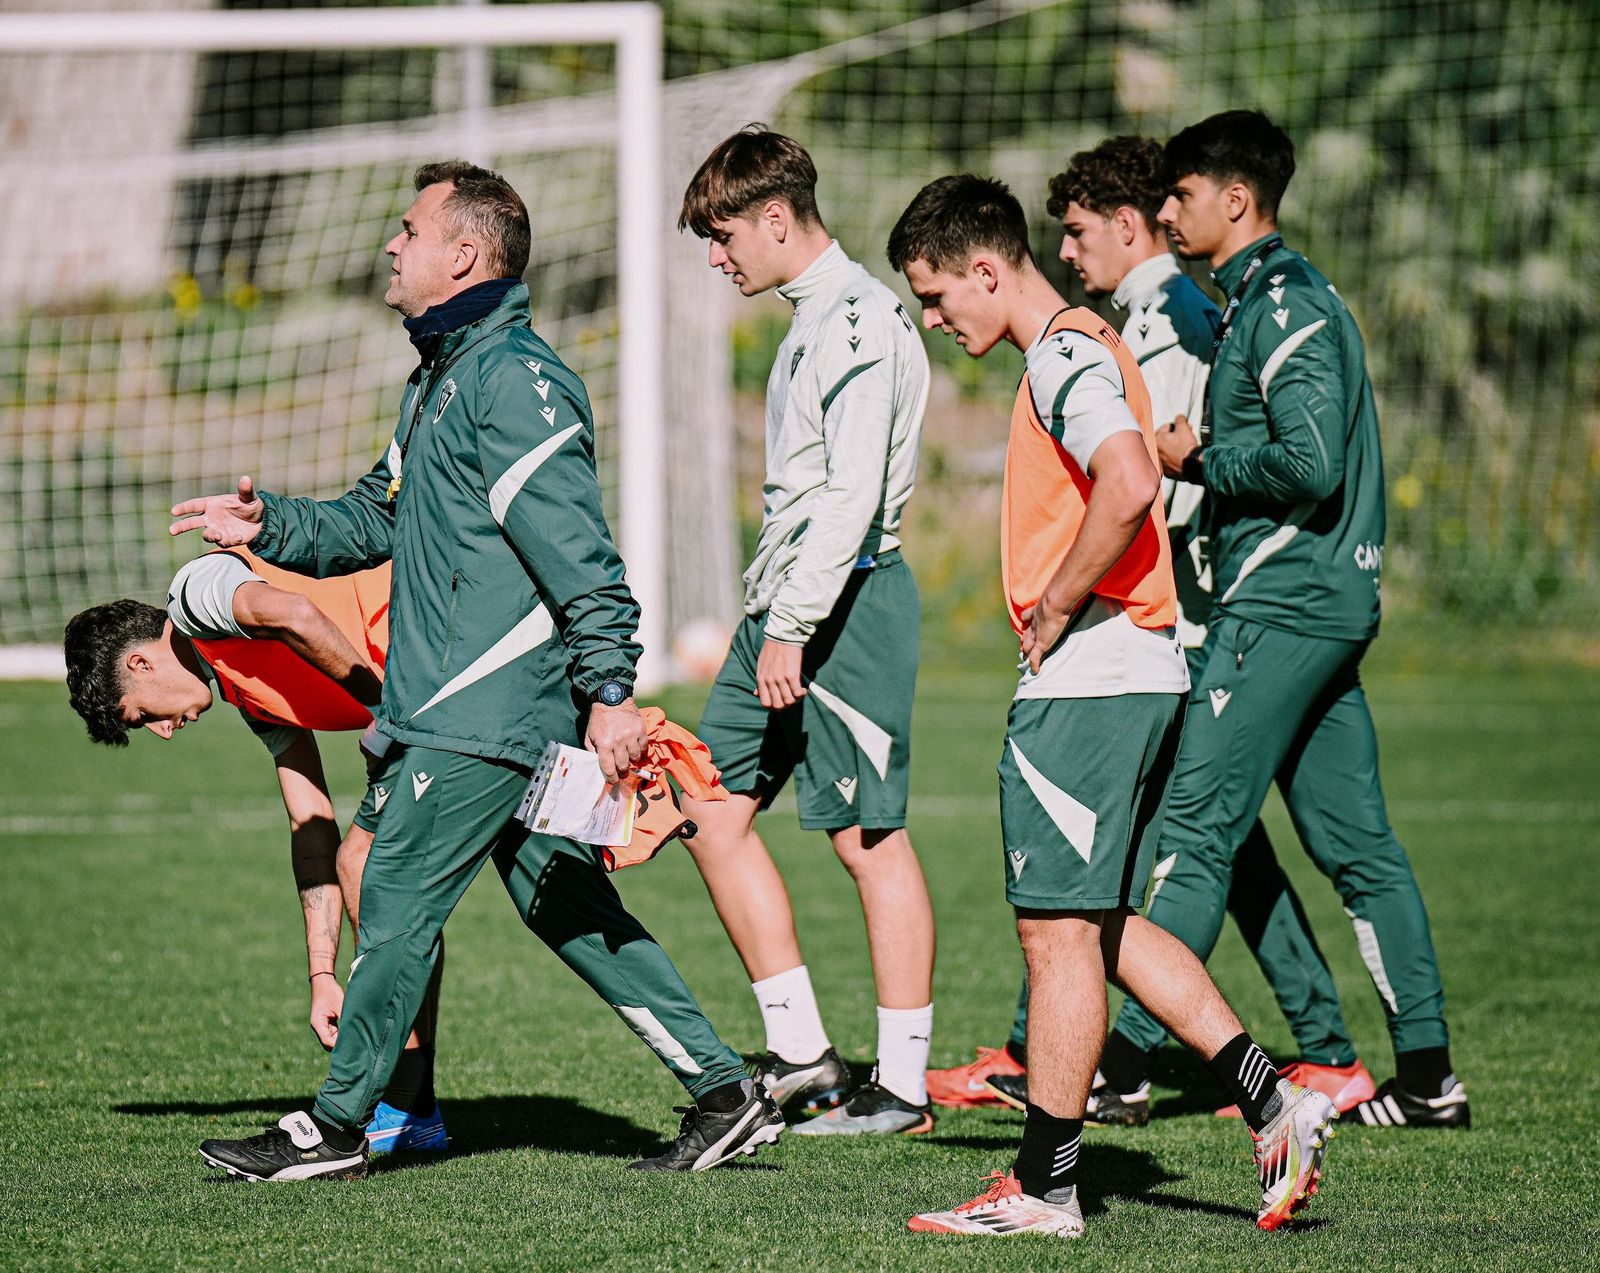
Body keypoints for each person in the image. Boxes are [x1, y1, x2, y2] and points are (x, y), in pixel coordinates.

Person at [174, 160, 782, 1182]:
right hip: (475, 711)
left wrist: (612, 691)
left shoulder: (515, 380)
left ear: (462, 252)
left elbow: (581, 554)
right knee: (567, 904)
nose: (389, 245)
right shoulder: (442, 379)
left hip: (482, 712)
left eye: (405, 229)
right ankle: (724, 1093)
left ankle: (333, 1125)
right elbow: (376, 517)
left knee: (397, 886)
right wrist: (267, 525)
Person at [887, 174, 1336, 1237]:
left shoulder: (1064, 355)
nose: (936, 320)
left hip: (1091, 681)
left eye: (939, 297)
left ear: (987, 270)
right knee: (1109, 925)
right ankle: (1276, 1097)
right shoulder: (1088, 342)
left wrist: (1056, 602)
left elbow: (1128, 478)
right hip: (1139, 672)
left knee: (1055, 941)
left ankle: (1043, 1187)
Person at [1139, 110, 1467, 1130]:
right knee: (1355, 844)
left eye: (1179, 193)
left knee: (1190, 829)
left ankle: (1117, 1062)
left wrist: (1197, 461)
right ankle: (1427, 1081)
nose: (1163, 209)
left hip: (1282, 601)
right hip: (1324, 603)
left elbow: (1309, 462)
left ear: (1235, 200)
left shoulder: (1284, 305)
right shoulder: (1262, 300)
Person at [674, 126, 938, 1136]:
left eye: (724, 232)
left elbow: (850, 498)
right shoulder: (810, 315)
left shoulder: (863, 321)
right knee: (705, 807)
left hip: (844, 608)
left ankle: (903, 1089)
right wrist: (770, 616)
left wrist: (792, 624)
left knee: (869, 841)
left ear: (776, 219)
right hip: (779, 608)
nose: (716, 254)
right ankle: (803, 1058)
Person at [63, 551, 450, 1153]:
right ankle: (410, 1109)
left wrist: (386, 716)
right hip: (435, 684)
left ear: (141, 662)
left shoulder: (195, 597)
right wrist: (323, 976)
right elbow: (310, 822)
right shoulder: (246, 693)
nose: (163, 733)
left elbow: (294, 611)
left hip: (454, 634)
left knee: (377, 870)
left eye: (141, 717)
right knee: (535, 893)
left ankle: (404, 1109)